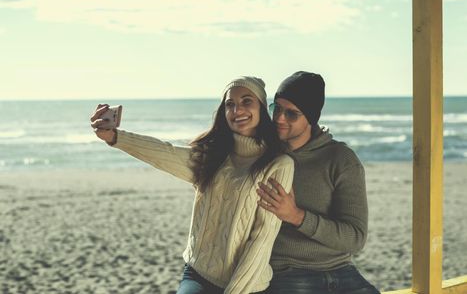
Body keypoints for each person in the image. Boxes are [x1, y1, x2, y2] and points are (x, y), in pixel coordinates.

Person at [90, 76, 294, 294]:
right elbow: (164, 152)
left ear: (262, 108)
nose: (237, 110)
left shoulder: (279, 165)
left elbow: (262, 239)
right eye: (230, 104)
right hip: (198, 273)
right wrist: (114, 137)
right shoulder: (212, 156)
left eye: (246, 102)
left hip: (247, 284)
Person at [256, 71, 380, 294]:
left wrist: (296, 216)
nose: (279, 118)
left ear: (311, 118)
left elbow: (355, 238)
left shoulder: (342, 160)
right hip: (288, 272)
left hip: (341, 271)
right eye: (277, 108)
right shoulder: (264, 153)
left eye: (292, 114)